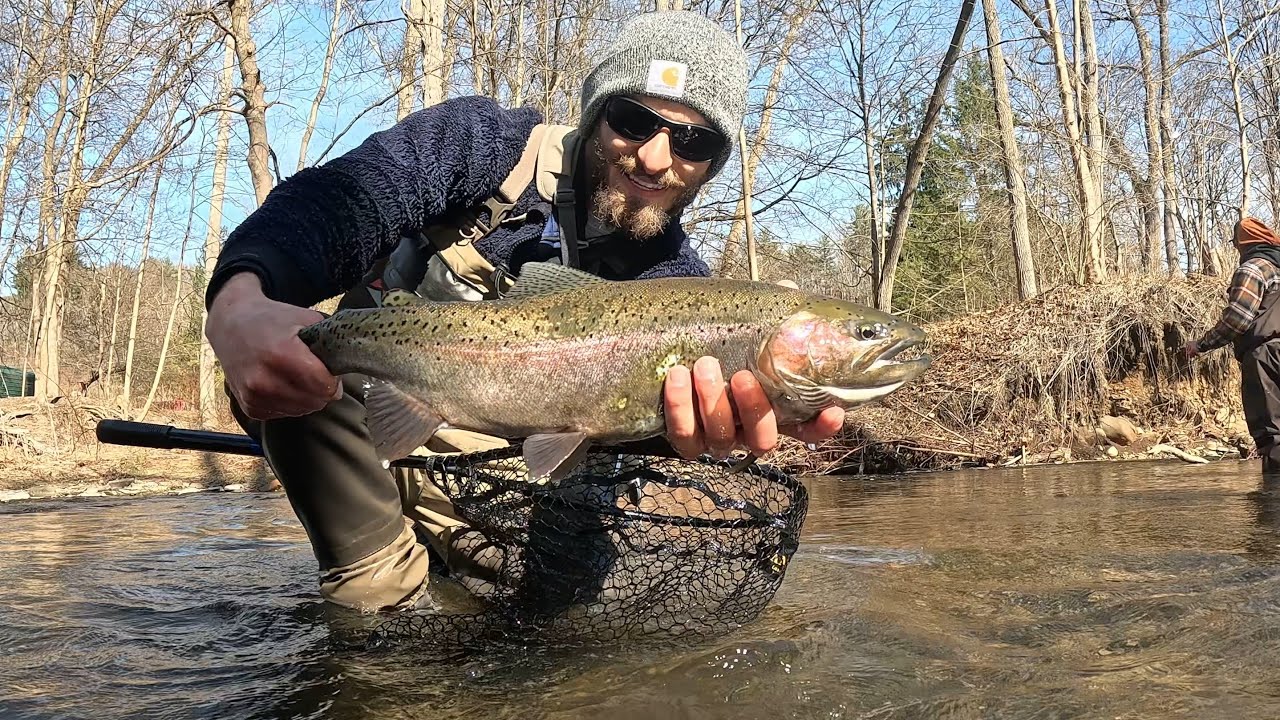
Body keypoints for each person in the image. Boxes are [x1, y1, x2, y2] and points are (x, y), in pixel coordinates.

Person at [203, 11, 844, 612]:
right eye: (632, 120)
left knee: (547, 628)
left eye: (693, 140)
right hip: (363, 420)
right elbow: (346, 200)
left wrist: (701, 437)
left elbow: (640, 439)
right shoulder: (484, 147)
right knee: (385, 624)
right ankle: (378, 598)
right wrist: (240, 299)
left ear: (712, 161)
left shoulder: (683, 285)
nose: (654, 158)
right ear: (594, 116)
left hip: (508, 485)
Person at [1184, 216, 1280, 472]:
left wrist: (1201, 345)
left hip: (1265, 357)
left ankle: (1270, 508)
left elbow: (1237, 319)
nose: (1235, 248)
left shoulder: (1253, 269)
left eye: (1235, 242)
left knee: (1273, 435)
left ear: (1244, 242)